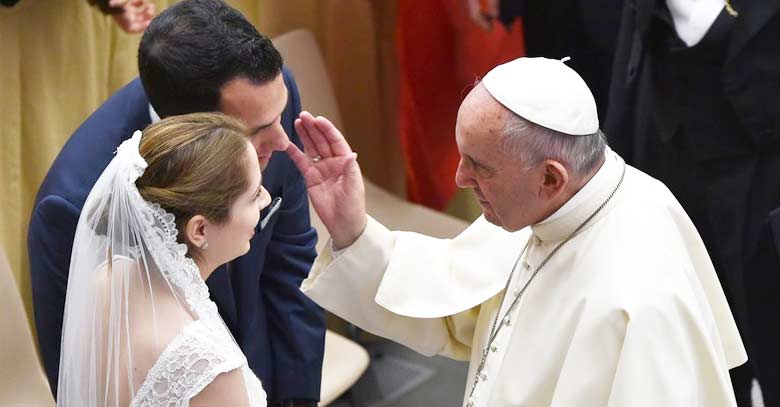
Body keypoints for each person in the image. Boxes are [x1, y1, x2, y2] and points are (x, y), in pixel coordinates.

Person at [288, 57, 747, 406]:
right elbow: (458, 305)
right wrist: (352, 228)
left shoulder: (642, 302)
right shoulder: (549, 208)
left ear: (550, 177)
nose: (460, 180)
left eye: (479, 167)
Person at [27, 1, 325, 405]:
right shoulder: (74, 206)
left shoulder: (265, 97)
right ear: (193, 128)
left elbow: (290, 262)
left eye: (280, 114)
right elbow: (80, 376)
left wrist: (298, 399)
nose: (284, 142)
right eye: (256, 133)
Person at [605, 1, 780, 403]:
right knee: (701, 338)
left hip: (764, 171)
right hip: (675, 161)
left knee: (770, 332)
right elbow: (632, 54)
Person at [58, 113, 271, 406]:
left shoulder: (107, 278)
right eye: (254, 194)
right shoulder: (210, 367)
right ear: (199, 229)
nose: (267, 199)